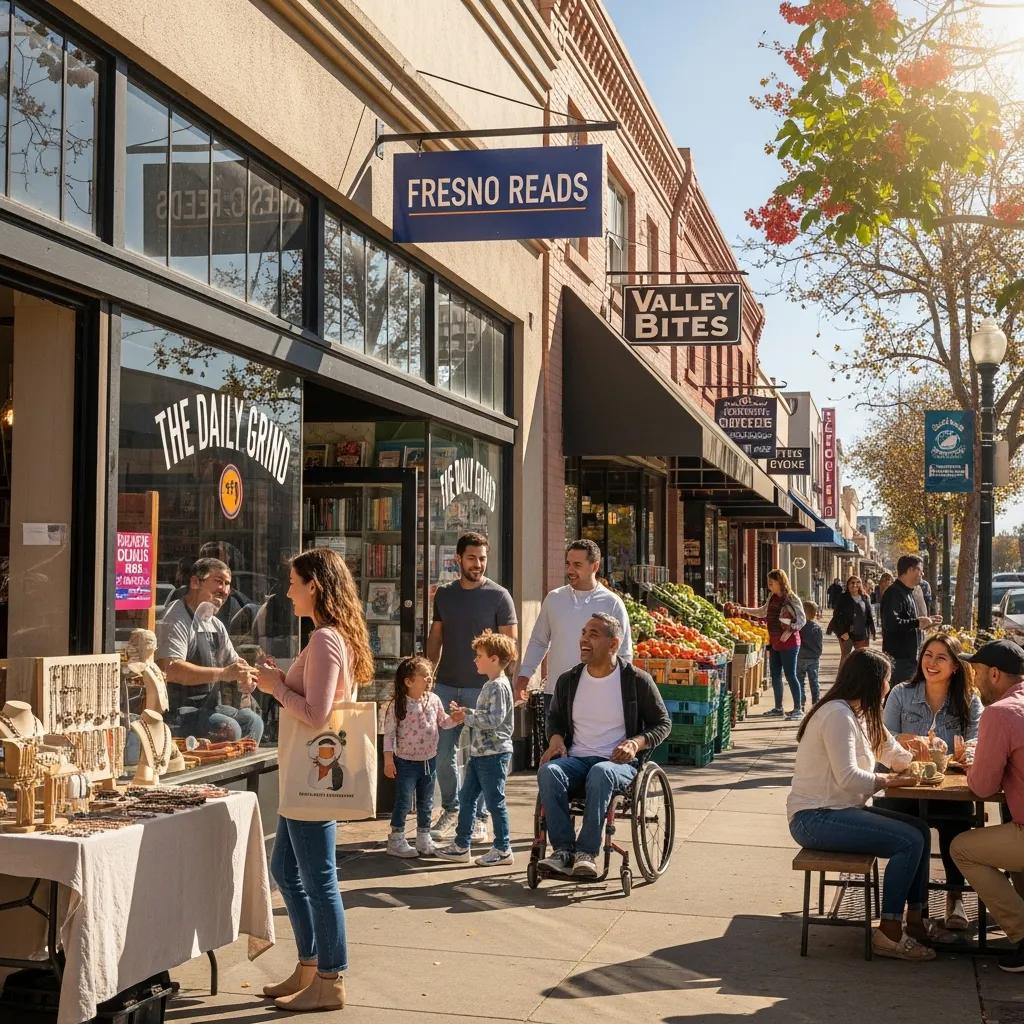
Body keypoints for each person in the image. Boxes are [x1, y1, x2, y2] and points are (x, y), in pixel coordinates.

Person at [253, 547, 375, 1011]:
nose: (288, 592)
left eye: (293, 583)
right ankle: (310, 967)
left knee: (319, 878)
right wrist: (280, 680)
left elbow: (317, 713)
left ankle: (330, 977)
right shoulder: (331, 636)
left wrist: (275, 688)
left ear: (314, 586)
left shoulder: (325, 638)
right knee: (286, 870)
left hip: (312, 779)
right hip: (304, 778)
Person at [788, 649, 944, 961]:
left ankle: (915, 919)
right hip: (815, 818)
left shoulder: (863, 714)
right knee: (908, 840)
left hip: (842, 810)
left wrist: (923, 751)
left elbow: (893, 753)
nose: (888, 687)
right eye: (886, 680)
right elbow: (849, 778)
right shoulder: (837, 715)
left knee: (920, 830)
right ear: (871, 683)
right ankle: (889, 932)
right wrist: (889, 781)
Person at [536, 613, 670, 878]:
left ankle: (587, 853)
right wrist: (556, 740)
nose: (584, 640)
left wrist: (636, 743)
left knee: (601, 772)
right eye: (583, 633)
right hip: (576, 760)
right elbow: (555, 720)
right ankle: (563, 851)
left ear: (613, 644)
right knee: (549, 772)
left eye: (593, 635)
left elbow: (662, 724)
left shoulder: (636, 680)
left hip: (618, 763)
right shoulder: (569, 680)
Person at [878, 634, 983, 931]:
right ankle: (916, 905)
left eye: (941, 657)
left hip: (949, 786)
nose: (932, 663)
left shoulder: (970, 700)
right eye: (928, 655)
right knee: (912, 831)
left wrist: (967, 752)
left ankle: (954, 898)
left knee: (956, 827)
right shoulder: (901, 694)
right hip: (906, 783)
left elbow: (977, 740)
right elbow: (883, 736)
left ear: (955, 666)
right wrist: (910, 740)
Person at [427, 532, 518, 845]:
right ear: (458, 559)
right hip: (446, 686)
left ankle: (479, 818)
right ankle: (452, 809)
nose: (477, 564)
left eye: (482, 558)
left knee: (480, 758)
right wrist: (428, 675)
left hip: (483, 691)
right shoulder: (444, 595)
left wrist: (506, 684)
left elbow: (509, 646)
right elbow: (436, 637)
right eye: (471, 558)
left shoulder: (499, 596)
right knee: (442, 755)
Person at [951, 640, 1024, 972]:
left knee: (962, 848)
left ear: (994, 674)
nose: (975, 681)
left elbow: (982, 787)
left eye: (977, 672)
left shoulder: (999, 712)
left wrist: (971, 764)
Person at [514, 539, 633, 719]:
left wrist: (619, 691)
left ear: (595, 566)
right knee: (554, 739)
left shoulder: (612, 603)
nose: (570, 570)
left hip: (597, 696)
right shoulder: (554, 599)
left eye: (577, 565)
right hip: (555, 694)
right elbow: (539, 641)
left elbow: (623, 652)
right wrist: (524, 677)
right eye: (567, 564)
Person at [157, 557, 263, 743]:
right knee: (229, 729)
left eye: (227, 584)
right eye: (218, 581)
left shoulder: (216, 624)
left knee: (253, 722)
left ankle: (240, 763)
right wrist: (223, 673)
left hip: (209, 708)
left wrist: (247, 676)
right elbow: (171, 669)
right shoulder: (177, 617)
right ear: (195, 582)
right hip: (179, 712)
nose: (225, 590)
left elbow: (235, 663)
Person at [435, 632, 518, 867]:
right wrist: (466, 712)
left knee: (494, 801)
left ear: (494, 659)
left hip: (494, 755)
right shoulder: (491, 685)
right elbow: (487, 715)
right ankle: (462, 845)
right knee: (467, 797)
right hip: (481, 753)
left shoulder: (498, 686)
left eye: (479, 655)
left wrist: (466, 717)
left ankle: (503, 848)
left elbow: (494, 720)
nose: (475, 660)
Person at [382, 655, 458, 859]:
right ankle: (396, 838)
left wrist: (456, 718)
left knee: (426, 802)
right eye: (424, 676)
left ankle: (424, 837)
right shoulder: (397, 705)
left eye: (430, 675)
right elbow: (389, 735)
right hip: (405, 762)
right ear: (408, 681)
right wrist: (388, 761)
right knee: (404, 801)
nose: (429, 679)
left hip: (428, 761)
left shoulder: (433, 700)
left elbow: (444, 722)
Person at [739, 569, 807, 721]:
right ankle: (778, 708)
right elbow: (762, 612)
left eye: (772, 582)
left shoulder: (791, 598)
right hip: (774, 641)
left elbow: (802, 620)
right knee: (775, 675)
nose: (769, 585)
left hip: (789, 642)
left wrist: (790, 630)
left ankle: (798, 709)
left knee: (790, 675)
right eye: (768, 582)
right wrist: (743, 610)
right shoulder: (772, 597)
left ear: (780, 582)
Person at [881, 555, 941, 685]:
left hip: (909, 658)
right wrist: (917, 622)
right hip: (899, 660)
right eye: (920, 570)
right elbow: (891, 623)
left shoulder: (908, 592)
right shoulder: (894, 593)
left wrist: (927, 622)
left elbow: (909, 621)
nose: (922, 574)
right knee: (898, 695)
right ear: (910, 570)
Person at [829, 575, 877, 665]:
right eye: (852, 583)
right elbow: (837, 616)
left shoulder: (865, 597)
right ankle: (843, 674)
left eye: (858, 582)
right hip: (847, 633)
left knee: (862, 657)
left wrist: (873, 631)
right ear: (848, 585)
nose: (855, 585)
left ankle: (859, 674)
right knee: (845, 658)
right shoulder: (843, 597)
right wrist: (843, 632)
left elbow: (869, 615)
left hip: (862, 633)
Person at [797, 601, 823, 713]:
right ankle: (816, 703)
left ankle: (801, 704)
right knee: (814, 681)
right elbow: (819, 645)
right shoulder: (817, 628)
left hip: (800, 657)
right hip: (813, 658)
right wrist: (817, 654)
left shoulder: (799, 627)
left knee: (800, 682)